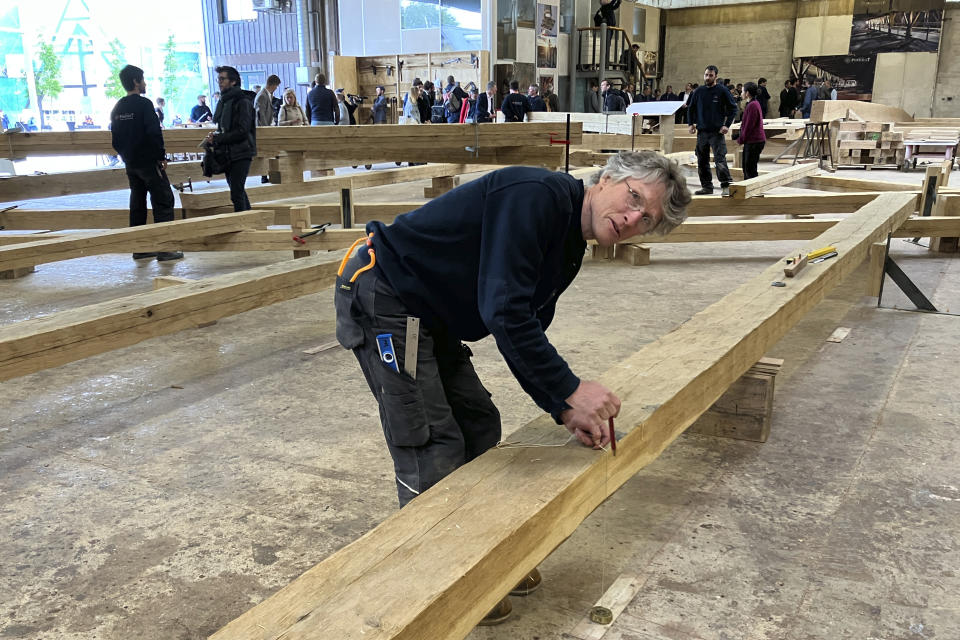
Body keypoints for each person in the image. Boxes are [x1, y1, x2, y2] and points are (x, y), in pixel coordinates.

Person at [333, 150, 690, 624]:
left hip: (431, 310)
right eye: (633, 198)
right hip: (386, 294)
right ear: (606, 178)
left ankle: (480, 559)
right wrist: (571, 390)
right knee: (430, 439)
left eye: (646, 219)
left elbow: (525, 325)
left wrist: (563, 406)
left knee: (479, 423)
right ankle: (438, 587)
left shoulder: (569, 243)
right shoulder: (536, 198)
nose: (631, 218)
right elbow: (504, 313)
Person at [110, 64, 182, 262]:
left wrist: (127, 156)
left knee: (137, 203)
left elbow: (115, 139)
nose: (145, 83)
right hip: (149, 162)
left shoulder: (118, 107)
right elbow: (153, 132)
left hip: (131, 163)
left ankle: (140, 248)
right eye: (142, 79)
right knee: (164, 200)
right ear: (135, 81)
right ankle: (165, 249)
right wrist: (161, 156)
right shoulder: (144, 104)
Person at [206, 65, 256, 212]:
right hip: (228, 153)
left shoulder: (242, 101)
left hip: (242, 152)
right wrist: (215, 136)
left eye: (222, 79)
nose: (219, 82)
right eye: (218, 79)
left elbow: (242, 130)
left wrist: (219, 138)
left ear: (233, 81)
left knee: (236, 192)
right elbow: (224, 128)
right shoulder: (224, 102)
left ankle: (244, 226)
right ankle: (249, 221)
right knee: (237, 191)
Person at [687, 64, 736, 196]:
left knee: (720, 160)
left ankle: (726, 185)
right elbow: (690, 108)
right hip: (702, 132)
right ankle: (707, 187)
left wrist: (727, 125)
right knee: (702, 160)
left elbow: (733, 108)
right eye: (706, 75)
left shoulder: (722, 91)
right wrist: (690, 124)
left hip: (716, 132)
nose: (707, 77)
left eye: (710, 75)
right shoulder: (698, 92)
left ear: (716, 76)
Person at [737, 82, 766, 180]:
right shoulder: (752, 103)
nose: (741, 93)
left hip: (754, 141)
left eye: (742, 91)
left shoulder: (752, 105)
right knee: (747, 168)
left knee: (750, 169)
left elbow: (749, 126)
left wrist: (741, 139)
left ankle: (752, 191)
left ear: (747, 93)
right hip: (752, 141)